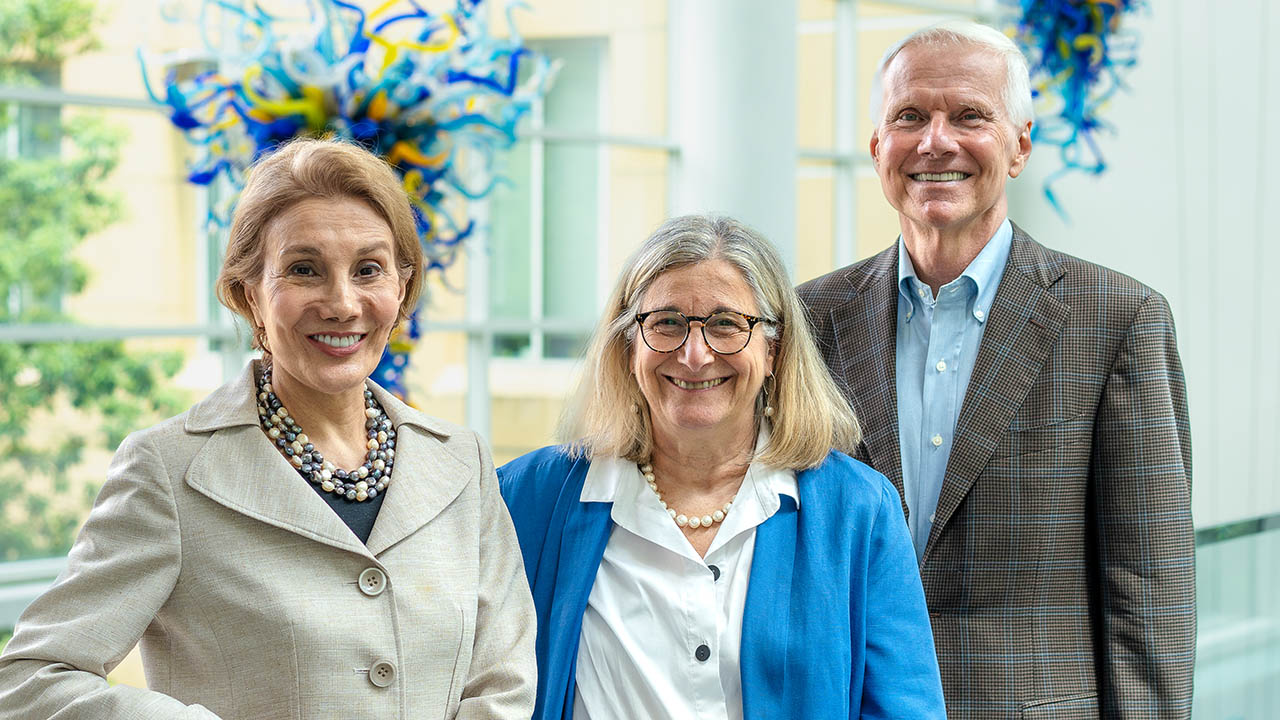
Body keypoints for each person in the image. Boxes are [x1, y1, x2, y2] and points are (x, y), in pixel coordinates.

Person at [0, 138, 536, 719]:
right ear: (249, 293)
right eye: (304, 270)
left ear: (401, 288)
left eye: (369, 270)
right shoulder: (168, 471)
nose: (342, 302)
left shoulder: (462, 464)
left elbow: (502, 683)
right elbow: (31, 679)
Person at [797, 21, 1196, 720]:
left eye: (970, 116)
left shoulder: (1119, 321)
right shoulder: (808, 320)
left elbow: (1149, 588)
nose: (935, 141)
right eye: (909, 117)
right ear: (876, 148)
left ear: (1021, 146)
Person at [499, 214, 946, 720]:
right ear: (628, 348)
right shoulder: (524, 500)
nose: (694, 355)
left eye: (726, 325)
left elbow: (905, 709)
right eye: (665, 322)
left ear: (773, 350)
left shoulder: (858, 510)